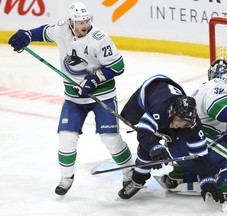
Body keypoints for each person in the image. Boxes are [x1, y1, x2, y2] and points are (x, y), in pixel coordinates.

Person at [8, 2, 134, 196]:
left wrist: (95, 78)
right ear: (71, 22)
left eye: (86, 20)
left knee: (110, 138)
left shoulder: (100, 39)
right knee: (66, 137)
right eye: (80, 21)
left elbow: (118, 66)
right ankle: (66, 177)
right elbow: (43, 32)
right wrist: (26, 35)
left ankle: (129, 173)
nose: (84, 25)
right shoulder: (61, 29)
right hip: (74, 98)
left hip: (102, 95)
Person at [159, 58, 227, 205]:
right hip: (193, 143)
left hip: (178, 148)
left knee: (223, 142)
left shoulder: (200, 88)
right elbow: (219, 109)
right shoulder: (219, 85)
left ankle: (181, 175)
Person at [117, 74, 224, 204]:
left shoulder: (192, 125)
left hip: (172, 98)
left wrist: (207, 180)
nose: (182, 125)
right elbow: (143, 132)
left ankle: (137, 179)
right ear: (172, 112)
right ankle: (139, 178)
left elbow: (200, 156)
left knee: (166, 137)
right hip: (149, 89)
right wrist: (154, 147)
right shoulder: (159, 109)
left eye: (187, 123)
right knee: (142, 140)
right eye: (180, 121)